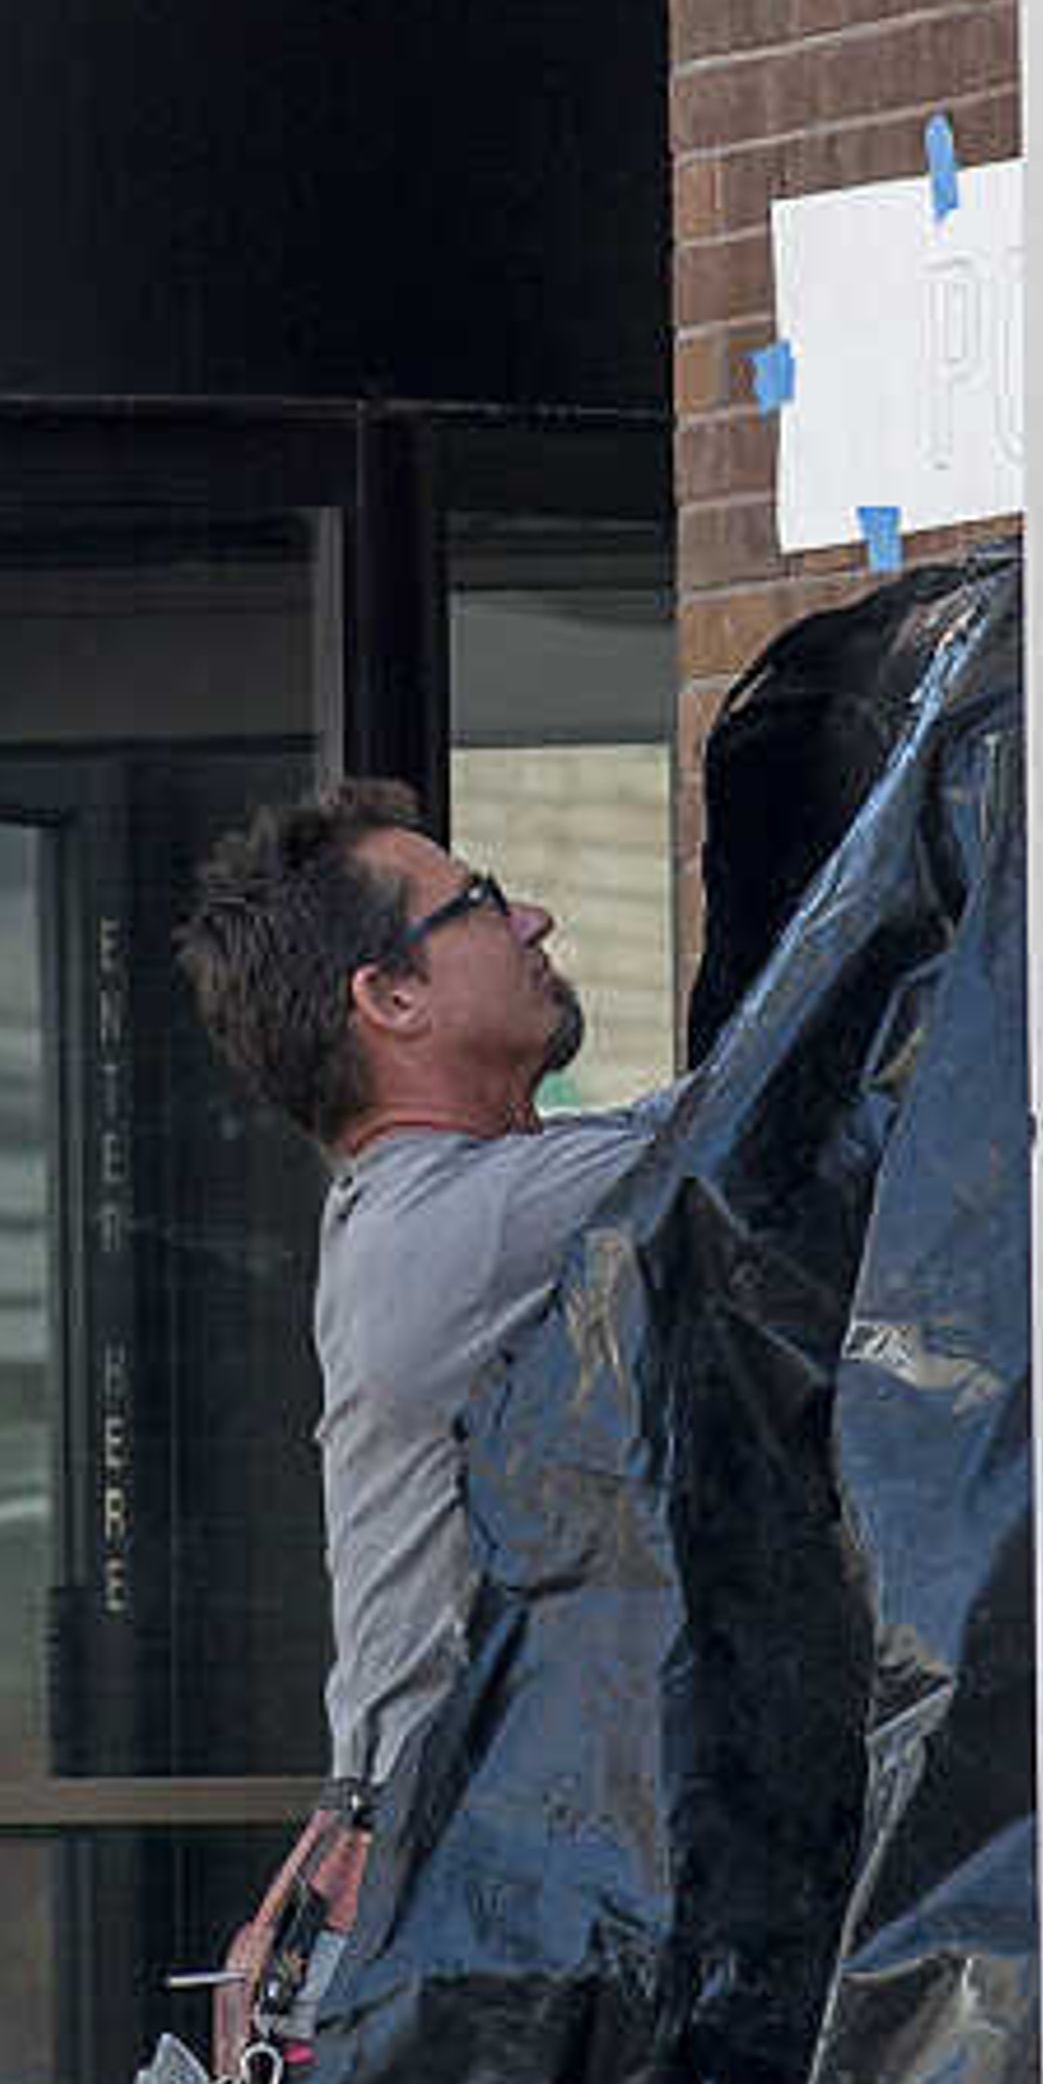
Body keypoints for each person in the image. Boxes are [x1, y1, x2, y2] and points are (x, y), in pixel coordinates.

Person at [179, 777, 666, 1867]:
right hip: (453, 1878)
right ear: (392, 998)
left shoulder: (432, 1207)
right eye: (483, 902)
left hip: (447, 1852)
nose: (532, 919)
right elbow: (760, 1098)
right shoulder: (455, 1227)